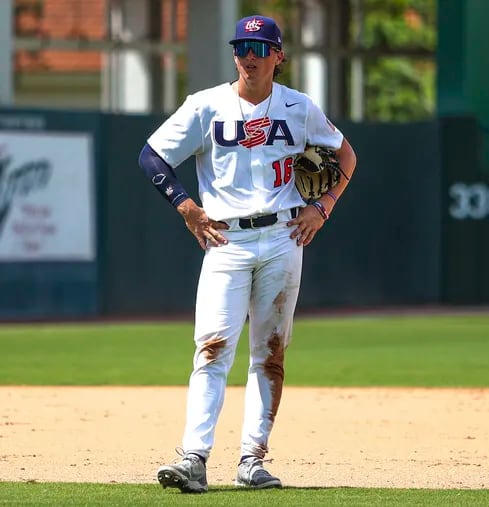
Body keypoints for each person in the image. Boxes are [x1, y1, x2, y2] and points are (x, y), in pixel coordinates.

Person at [138, 14, 357, 493]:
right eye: (241, 47)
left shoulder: (299, 108)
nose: (249, 57)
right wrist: (186, 207)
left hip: (283, 236)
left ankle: (252, 461)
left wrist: (323, 206)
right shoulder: (205, 105)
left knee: (270, 355)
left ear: (279, 56)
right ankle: (194, 458)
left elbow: (345, 155)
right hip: (226, 240)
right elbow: (152, 155)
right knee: (212, 349)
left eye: (259, 49)